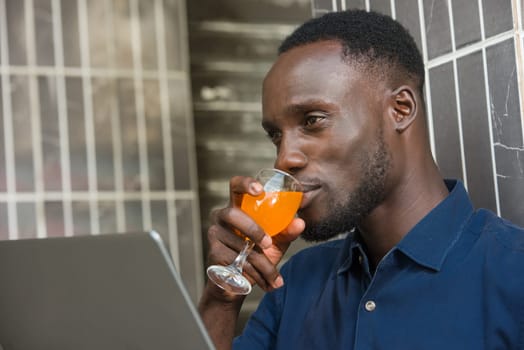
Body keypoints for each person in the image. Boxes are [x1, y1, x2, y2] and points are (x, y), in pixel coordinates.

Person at [198, 9, 524, 350]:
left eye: (312, 120)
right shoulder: (295, 283)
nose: (284, 158)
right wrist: (221, 299)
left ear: (400, 109)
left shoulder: (513, 274)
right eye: (276, 135)